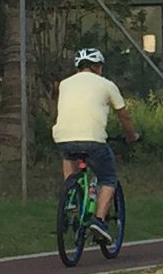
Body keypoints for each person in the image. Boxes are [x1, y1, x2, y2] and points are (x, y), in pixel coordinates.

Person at [51, 45, 139, 220]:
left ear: (78, 67)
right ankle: (98, 220)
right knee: (108, 177)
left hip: (63, 138)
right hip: (93, 139)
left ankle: (71, 196)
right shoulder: (106, 84)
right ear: (98, 67)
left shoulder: (64, 84)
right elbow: (124, 116)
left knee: (68, 156)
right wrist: (132, 137)